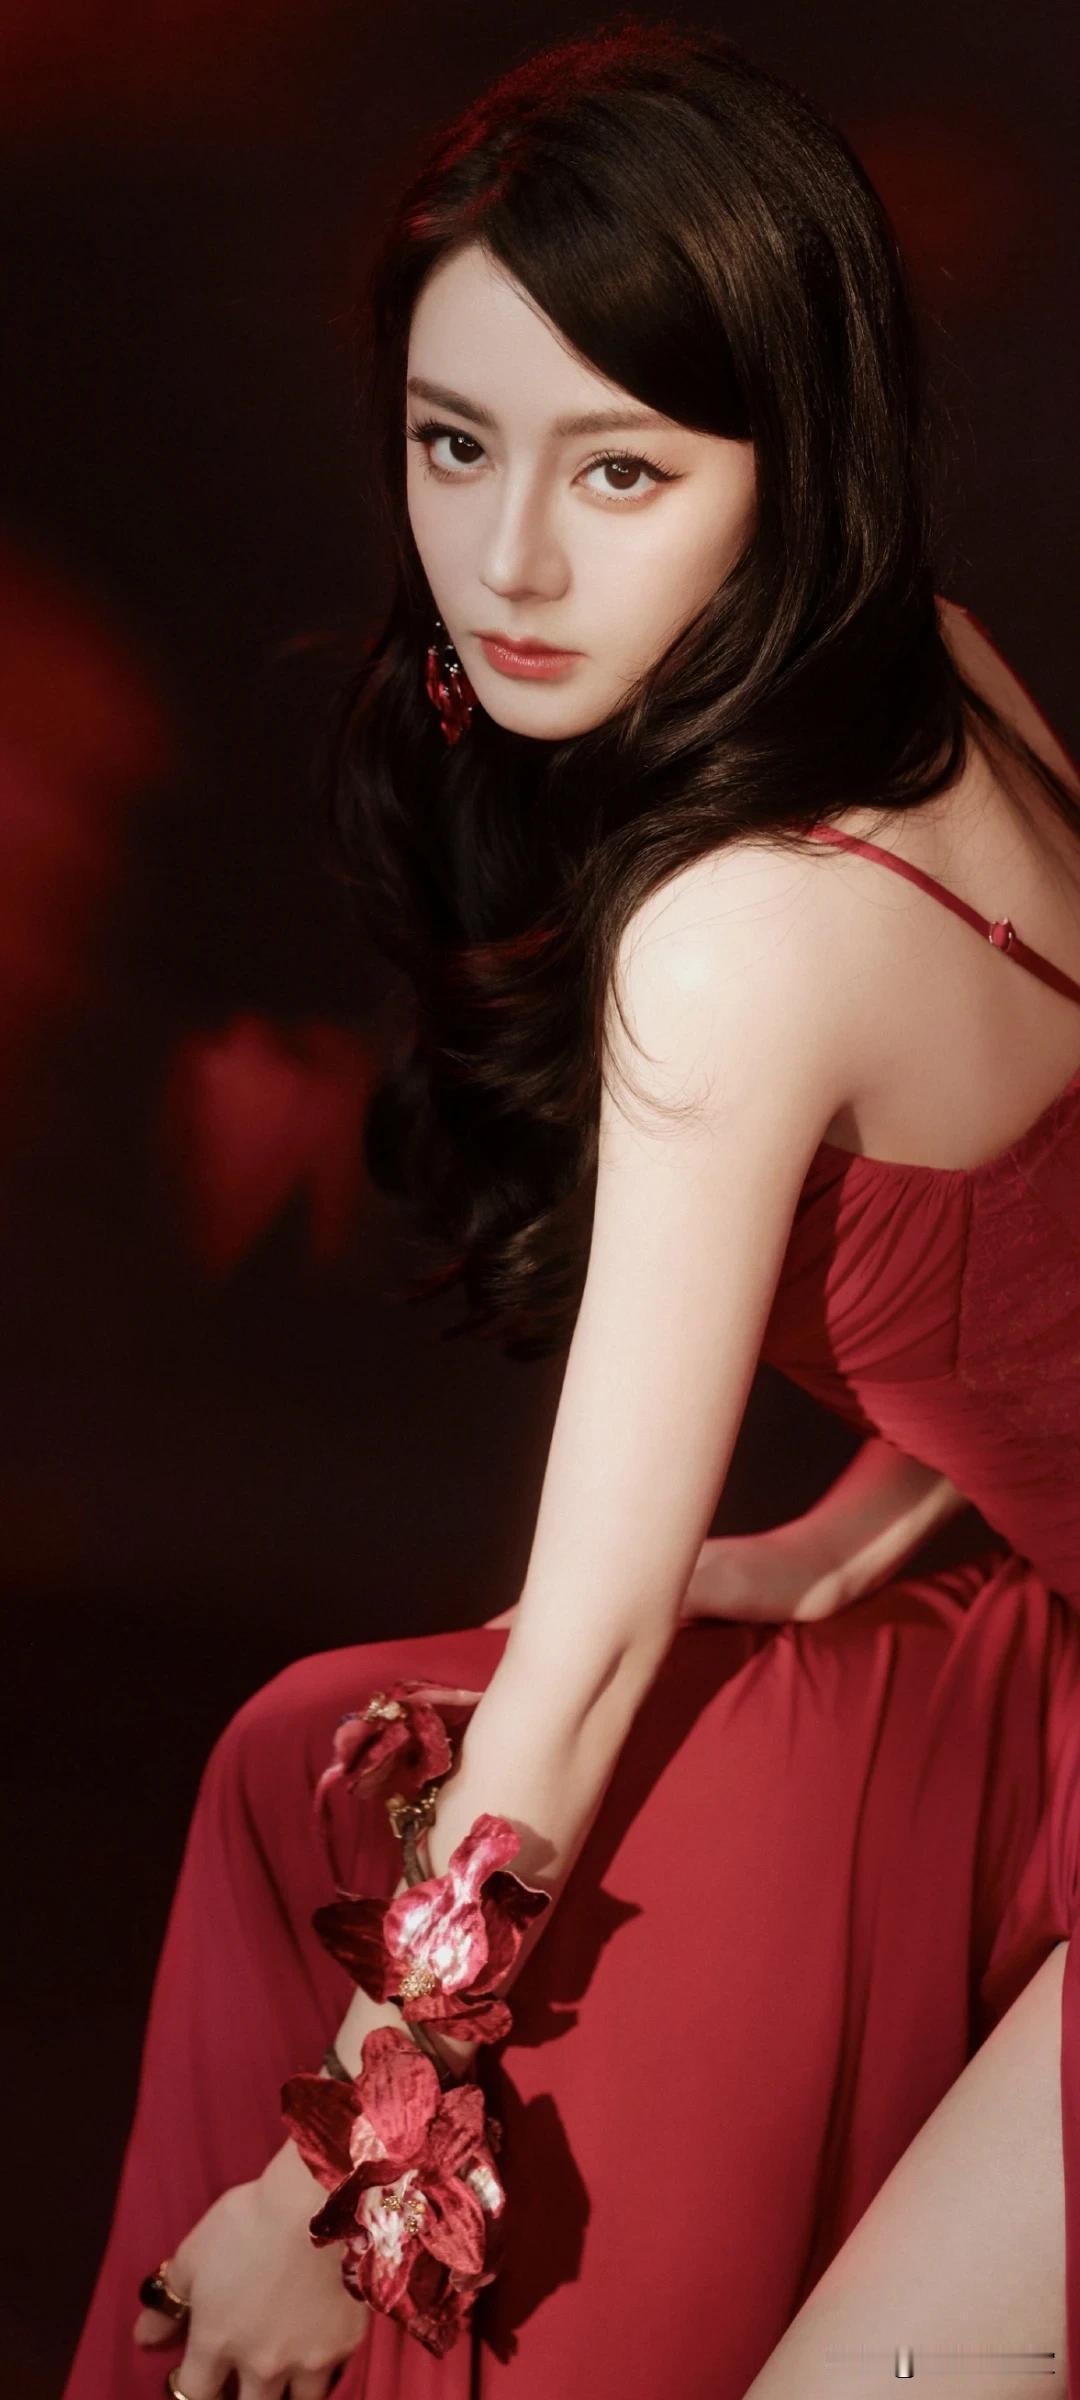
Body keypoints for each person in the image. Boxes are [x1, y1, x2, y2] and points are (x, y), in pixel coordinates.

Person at [62, 22, 1080, 2400]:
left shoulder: (740, 933)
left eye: (620, 467)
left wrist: (352, 2184)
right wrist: (843, 1539)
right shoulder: (924, 666)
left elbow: (597, 1641)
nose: (509, 560)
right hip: (1034, 1608)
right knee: (321, 1752)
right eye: (456, 443)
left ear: (787, 459)